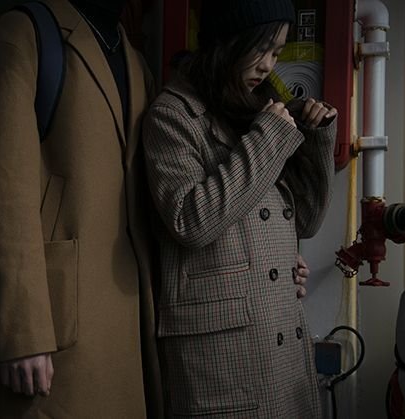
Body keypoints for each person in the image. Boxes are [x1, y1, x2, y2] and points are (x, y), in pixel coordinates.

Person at [142, 0, 337, 417]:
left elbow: (306, 221)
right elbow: (190, 221)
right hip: (223, 354)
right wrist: (269, 137)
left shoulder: (251, 110)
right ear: (227, 43)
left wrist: (316, 139)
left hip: (276, 328)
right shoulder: (172, 115)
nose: (268, 65)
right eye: (261, 48)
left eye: (277, 53)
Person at [0, 0, 162, 417]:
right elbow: (4, 194)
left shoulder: (135, 60)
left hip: (131, 322)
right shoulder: (22, 35)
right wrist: (22, 331)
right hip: (58, 330)